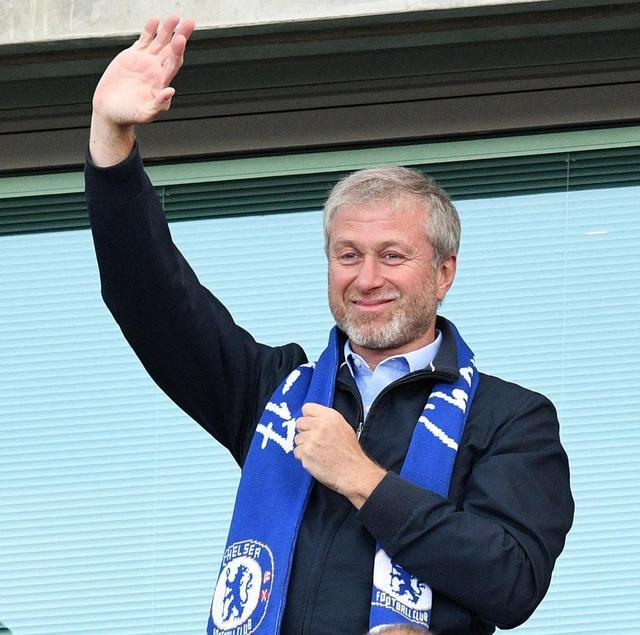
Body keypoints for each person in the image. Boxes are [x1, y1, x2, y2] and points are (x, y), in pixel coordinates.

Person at [85, 15, 574, 635]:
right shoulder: (273, 391)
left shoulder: (509, 419)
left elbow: (511, 579)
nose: (366, 277)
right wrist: (111, 142)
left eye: (392, 255)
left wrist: (363, 480)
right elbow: (150, 298)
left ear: (444, 273)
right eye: (348, 255)